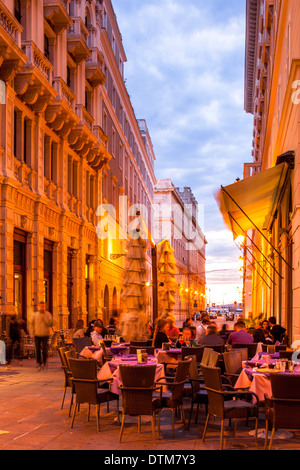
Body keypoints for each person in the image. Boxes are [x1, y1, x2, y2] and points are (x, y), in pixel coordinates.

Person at [31, 301, 53, 370]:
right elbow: (32, 324)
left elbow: (50, 324)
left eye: (43, 306)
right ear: (38, 307)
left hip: (45, 334)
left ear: (45, 307)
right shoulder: (35, 315)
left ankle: (44, 362)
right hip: (37, 334)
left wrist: (44, 318)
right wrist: (31, 332)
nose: (42, 307)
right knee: (37, 349)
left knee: (44, 349)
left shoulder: (48, 314)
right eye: (40, 306)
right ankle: (38, 362)